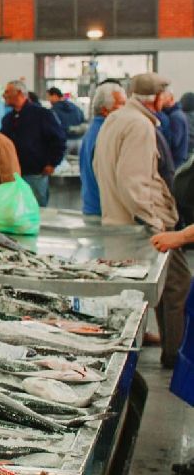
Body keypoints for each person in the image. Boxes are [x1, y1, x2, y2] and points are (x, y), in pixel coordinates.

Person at [94, 73, 190, 369]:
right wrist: (155, 223)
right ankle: (176, 354)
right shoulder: (139, 125)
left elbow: (100, 166)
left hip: (119, 220)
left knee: (145, 292)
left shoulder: (117, 118)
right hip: (142, 225)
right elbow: (133, 181)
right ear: (156, 98)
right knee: (178, 284)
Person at [0, 80, 66, 207]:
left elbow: (59, 139)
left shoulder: (42, 115)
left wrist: (52, 163)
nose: (4, 95)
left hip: (35, 175)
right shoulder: (8, 119)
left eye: (7, 92)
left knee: (36, 211)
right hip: (13, 176)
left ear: (19, 93)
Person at [80, 83, 127, 217]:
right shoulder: (104, 134)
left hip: (93, 205)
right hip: (102, 210)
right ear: (105, 110)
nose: (126, 110)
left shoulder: (94, 131)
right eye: (121, 104)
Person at [158, 89, 189, 165]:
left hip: (176, 161)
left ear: (171, 98)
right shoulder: (175, 114)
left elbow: (174, 142)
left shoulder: (175, 116)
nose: (160, 101)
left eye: (163, 98)